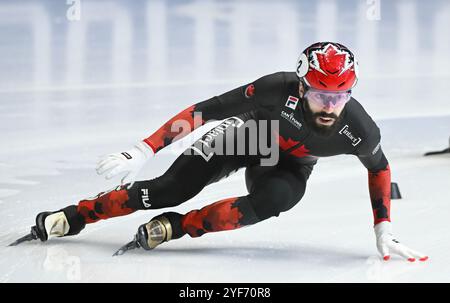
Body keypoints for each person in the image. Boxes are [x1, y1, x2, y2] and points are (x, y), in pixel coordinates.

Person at [16, 42, 427, 262]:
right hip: (250, 134)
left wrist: (382, 226)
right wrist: (145, 148)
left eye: (341, 97)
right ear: (302, 87)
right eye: (321, 95)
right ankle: (77, 215)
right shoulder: (274, 88)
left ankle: (179, 227)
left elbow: (379, 169)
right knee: (169, 188)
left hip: (288, 164)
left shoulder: (360, 128)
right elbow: (206, 111)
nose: (330, 107)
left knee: (279, 198)